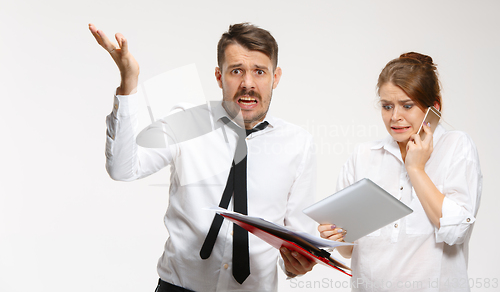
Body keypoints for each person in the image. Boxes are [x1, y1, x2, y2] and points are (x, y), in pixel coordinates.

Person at [89, 22, 317, 292]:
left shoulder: (298, 144)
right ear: (219, 77)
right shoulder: (187, 121)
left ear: (275, 77)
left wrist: (296, 264)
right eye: (236, 71)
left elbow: (297, 239)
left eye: (259, 72)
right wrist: (128, 83)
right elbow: (122, 169)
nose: (248, 84)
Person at [318, 52, 482, 292]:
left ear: (434, 107)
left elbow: (456, 232)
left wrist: (415, 168)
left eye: (407, 105)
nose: (395, 117)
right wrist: (336, 237)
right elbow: (348, 250)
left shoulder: (457, 147)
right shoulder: (364, 156)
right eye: (387, 106)